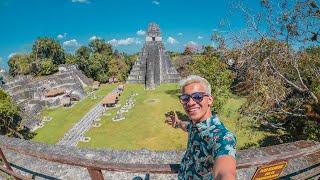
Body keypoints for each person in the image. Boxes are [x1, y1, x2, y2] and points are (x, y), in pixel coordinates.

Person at [166, 75, 237, 180]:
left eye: (198, 96)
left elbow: (225, 173)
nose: (190, 103)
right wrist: (177, 122)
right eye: (185, 98)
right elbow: (186, 126)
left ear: (209, 100)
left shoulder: (221, 136)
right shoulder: (194, 126)